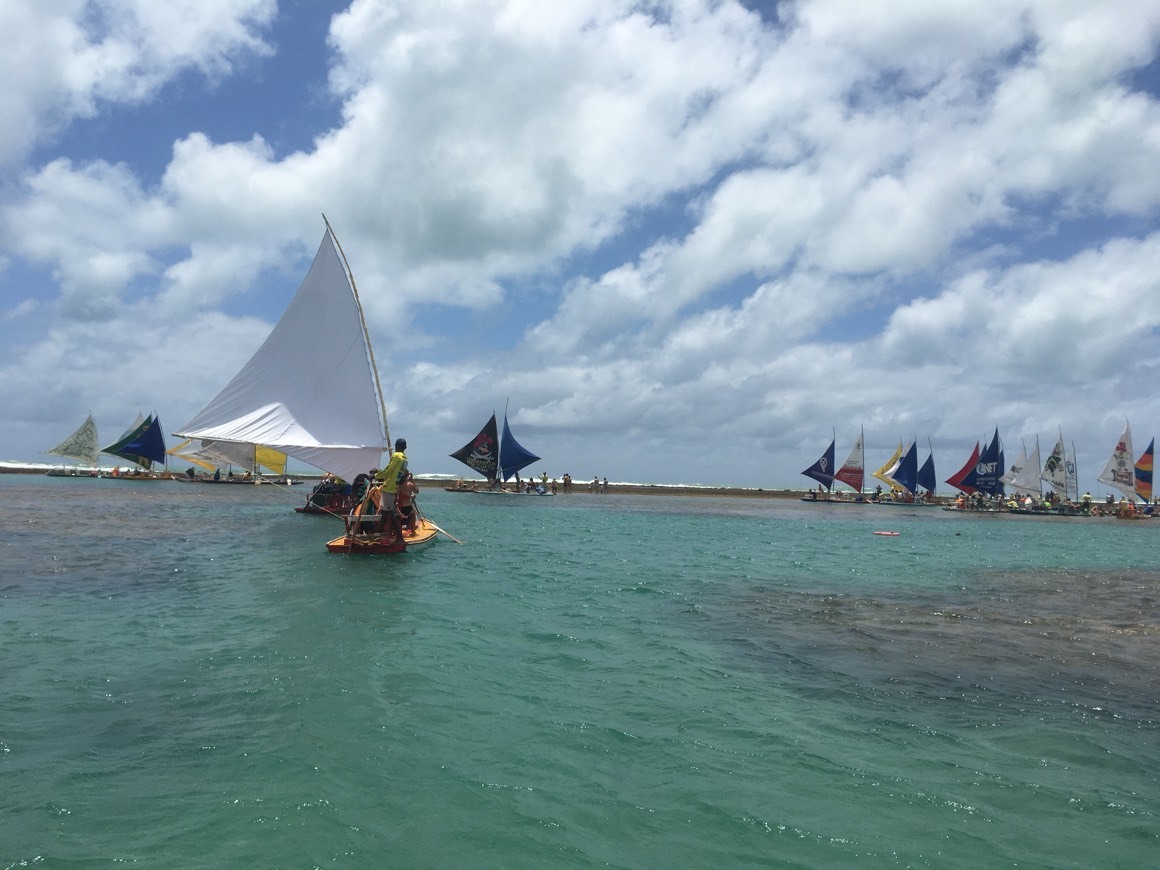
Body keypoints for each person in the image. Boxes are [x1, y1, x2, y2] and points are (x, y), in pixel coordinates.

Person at [373, 438, 409, 540]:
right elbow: (399, 473)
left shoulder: (396, 456)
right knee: (385, 512)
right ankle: (378, 533)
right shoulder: (405, 459)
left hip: (388, 487)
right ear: (405, 447)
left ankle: (399, 537)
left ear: (397, 446)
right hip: (394, 487)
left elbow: (389, 470)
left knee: (389, 512)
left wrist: (375, 475)